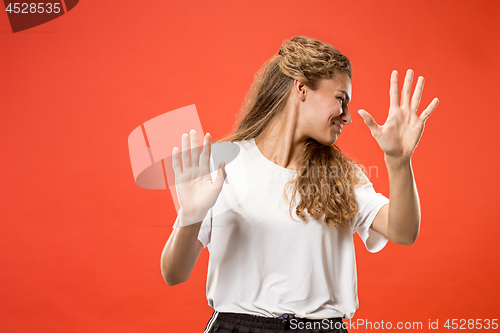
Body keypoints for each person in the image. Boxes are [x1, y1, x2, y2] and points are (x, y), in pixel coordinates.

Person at [160, 36, 439, 333]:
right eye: (340, 99)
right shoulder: (225, 165)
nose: (347, 116)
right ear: (301, 88)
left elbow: (403, 231)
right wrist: (190, 215)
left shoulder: (342, 175)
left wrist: (398, 161)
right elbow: (174, 273)